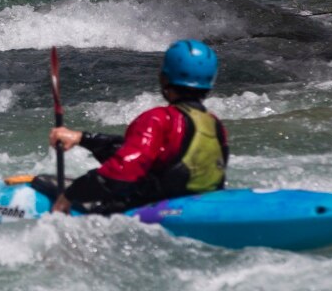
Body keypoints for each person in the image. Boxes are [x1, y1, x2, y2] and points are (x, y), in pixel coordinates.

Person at [46, 39, 228, 215]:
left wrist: (69, 195)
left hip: (157, 203)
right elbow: (133, 148)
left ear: (164, 78)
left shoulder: (158, 119)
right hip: (198, 200)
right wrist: (82, 138)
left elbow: (121, 173)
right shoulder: (214, 123)